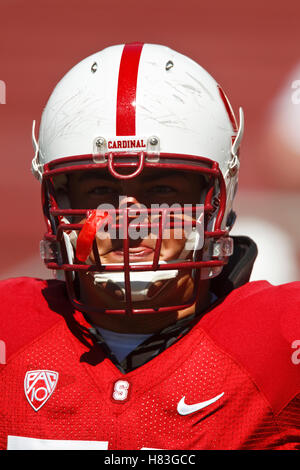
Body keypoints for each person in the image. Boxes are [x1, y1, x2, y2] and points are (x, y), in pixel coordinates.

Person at [0, 43, 299, 451]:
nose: (128, 222)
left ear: (214, 201)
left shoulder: (280, 343)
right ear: (61, 204)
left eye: (161, 191)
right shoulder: (9, 334)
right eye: (101, 190)